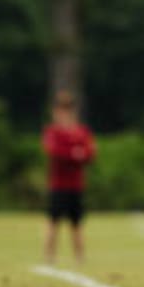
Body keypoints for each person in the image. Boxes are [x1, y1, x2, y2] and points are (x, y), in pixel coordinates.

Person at [41, 90, 96, 264]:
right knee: (53, 221)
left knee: (77, 223)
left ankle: (80, 256)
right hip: (58, 184)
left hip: (76, 184)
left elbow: (90, 153)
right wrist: (74, 153)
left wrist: (75, 154)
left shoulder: (81, 132)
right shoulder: (52, 131)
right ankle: (49, 256)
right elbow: (54, 152)